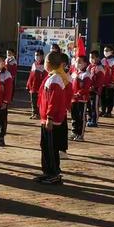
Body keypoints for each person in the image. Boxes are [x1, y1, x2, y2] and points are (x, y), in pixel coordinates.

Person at [33, 52, 68, 186]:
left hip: (52, 120)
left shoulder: (56, 80)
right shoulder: (52, 77)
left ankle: (54, 173)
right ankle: (47, 171)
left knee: (51, 147)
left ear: (48, 63)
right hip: (45, 118)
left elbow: (53, 101)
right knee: (45, 146)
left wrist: (49, 117)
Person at [70, 55, 92, 142]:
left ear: (85, 64)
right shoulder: (74, 73)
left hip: (81, 99)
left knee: (81, 117)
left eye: (80, 62)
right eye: (76, 61)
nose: (77, 63)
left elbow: (86, 88)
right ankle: (74, 131)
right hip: (73, 99)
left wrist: (78, 94)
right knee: (74, 116)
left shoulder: (86, 75)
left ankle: (80, 134)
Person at [87, 50, 105, 128]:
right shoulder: (90, 66)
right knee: (90, 106)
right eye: (90, 57)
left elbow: (100, 81)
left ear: (97, 58)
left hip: (95, 91)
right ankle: (90, 118)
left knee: (94, 106)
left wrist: (93, 87)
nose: (91, 59)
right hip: (89, 90)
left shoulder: (100, 68)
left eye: (92, 57)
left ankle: (95, 121)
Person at [26, 49, 47, 119]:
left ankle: (38, 114)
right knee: (33, 101)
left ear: (42, 56)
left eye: (38, 55)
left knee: (39, 101)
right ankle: (34, 113)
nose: (36, 56)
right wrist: (28, 84)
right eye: (35, 55)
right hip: (32, 87)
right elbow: (31, 76)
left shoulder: (45, 65)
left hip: (39, 87)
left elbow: (45, 78)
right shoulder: (34, 64)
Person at [100, 46, 114, 118]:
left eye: (107, 50)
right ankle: (103, 110)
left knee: (109, 98)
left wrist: (113, 82)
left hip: (110, 83)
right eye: (104, 50)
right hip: (102, 83)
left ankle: (109, 112)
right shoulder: (102, 60)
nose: (105, 52)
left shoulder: (113, 61)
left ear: (111, 51)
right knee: (103, 97)